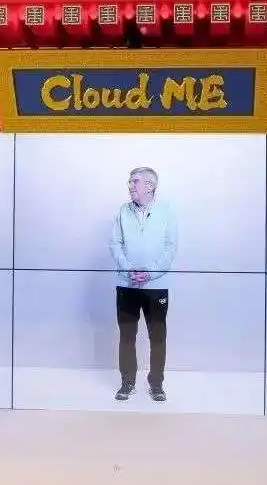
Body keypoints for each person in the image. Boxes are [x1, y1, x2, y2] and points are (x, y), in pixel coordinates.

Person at [109, 167, 178, 402]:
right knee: (127, 336)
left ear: (150, 186)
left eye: (134, 181)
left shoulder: (166, 211)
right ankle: (127, 383)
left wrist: (150, 273)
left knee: (157, 337)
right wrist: (128, 270)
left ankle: (156, 385)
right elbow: (115, 243)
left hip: (156, 287)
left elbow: (170, 247)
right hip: (126, 285)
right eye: (129, 181)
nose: (129, 186)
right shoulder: (123, 210)